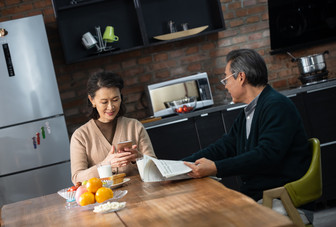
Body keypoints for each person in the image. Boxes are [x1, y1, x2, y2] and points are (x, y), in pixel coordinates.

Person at [183, 49, 312, 201]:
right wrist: (179, 165)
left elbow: (266, 156)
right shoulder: (249, 112)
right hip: (260, 196)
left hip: (280, 197)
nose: (225, 86)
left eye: (226, 79)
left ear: (241, 77)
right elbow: (224, 147)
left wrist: (216, 168)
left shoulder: (277, 105)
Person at [70, 72, 156, 184]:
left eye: (115, 100)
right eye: (104, 102)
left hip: (142, 195)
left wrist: (139, 158)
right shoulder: (81, 136)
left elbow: (156, 167)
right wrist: (105, 165)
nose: (111, 107)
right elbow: (77, 178)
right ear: (92, 101)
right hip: (105, 199)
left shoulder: (135, 126)